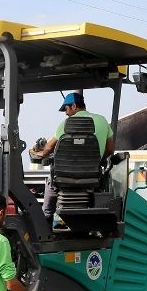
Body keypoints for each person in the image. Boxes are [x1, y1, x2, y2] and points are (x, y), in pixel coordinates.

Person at [29, 92, 114, 221]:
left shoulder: (66, 124)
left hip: (64, 178)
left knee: (50, 183)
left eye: (66, 109)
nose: (65, 113)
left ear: (74, 106)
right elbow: (110, 149)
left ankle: (46, 219)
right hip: (93, 177)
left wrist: (37, 152)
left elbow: (48, 149)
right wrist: (95, 161)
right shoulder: (102, 120)